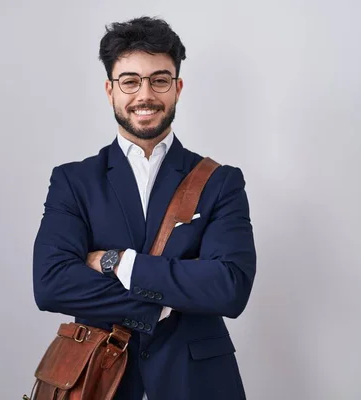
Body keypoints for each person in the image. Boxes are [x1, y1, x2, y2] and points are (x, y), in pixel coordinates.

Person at [33, 16, 256, 400]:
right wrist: (165, 301)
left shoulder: (221, 181)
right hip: (98, 383)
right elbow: (52, 284)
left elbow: (229, 287)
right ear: (110, 90)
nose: (145, 95)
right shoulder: (73, 181)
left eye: (159, 79)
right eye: (130, 81)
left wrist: (118, 263)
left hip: (198, 384)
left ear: (177, 87)